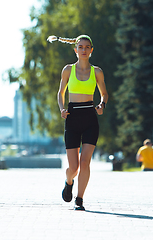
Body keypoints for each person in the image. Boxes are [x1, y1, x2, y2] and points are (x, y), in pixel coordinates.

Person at [48, 34, 108, 211]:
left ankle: (80, 199)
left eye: (86, 47)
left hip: (90, 117)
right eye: (80, 47)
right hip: (72, 117)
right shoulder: (67, 70)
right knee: (73, 168)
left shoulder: (97, 72)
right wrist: (61, 108)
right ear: (75, 50)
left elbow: (104, 93)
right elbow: (60, 93)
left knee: (85, 163)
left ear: (91, 50)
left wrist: (102, 104)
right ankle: (69, 182)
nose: (83, 50)